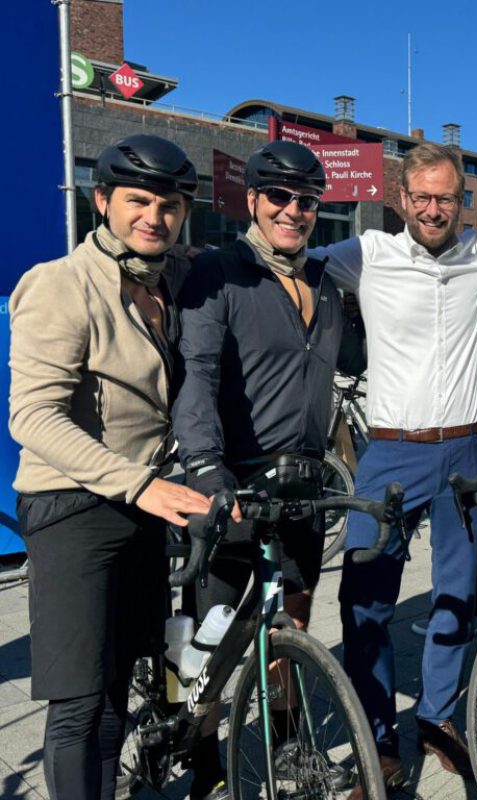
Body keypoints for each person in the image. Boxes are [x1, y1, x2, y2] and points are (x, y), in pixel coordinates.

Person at [8, 134, 212, 800]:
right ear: (102, 200)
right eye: (138, 201)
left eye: (169, 204)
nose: (154, 216)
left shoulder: (166, 282)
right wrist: (142, 484)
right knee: (78, 705)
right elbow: (32, 419)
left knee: (119, 690)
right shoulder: (60, 285)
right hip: (73, 510)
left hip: (142, 509)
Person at [171, 140, 362, 799]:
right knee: (207, 629)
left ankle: (287, 749)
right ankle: (191, 740)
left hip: (303, 486)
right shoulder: (219, 273)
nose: (292, 210)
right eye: (278, 197)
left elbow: (359, 363)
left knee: (291, 624)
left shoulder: (327, 286)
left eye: (306, 201)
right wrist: (204, 469)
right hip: (232, 483)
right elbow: (194, 379)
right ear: (252, 200)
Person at [313, 142, 477, 793]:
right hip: (391, 451)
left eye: (444, 198)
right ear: (402, 200)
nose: (432, 208)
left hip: (467, 450)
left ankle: (438, 715)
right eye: (420, 196)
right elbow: (286, 263)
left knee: (459, 594)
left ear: (461, 201)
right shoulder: (366, 253)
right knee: (363, 602)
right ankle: (379, 743)